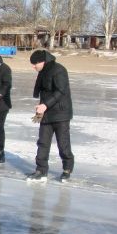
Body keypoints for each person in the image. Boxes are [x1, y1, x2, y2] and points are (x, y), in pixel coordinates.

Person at [26, 49, 74, 182]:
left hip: (61, 113)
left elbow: (60, 91)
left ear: (42, 61)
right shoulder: (43, 72)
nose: (33, 66)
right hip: (46, 113)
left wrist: (45, 105)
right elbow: (44, 92)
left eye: (34, 63)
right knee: (43, 143)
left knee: (63, 144)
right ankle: (41, 170)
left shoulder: (59, 70)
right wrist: (40, 111)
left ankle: (67, 169)